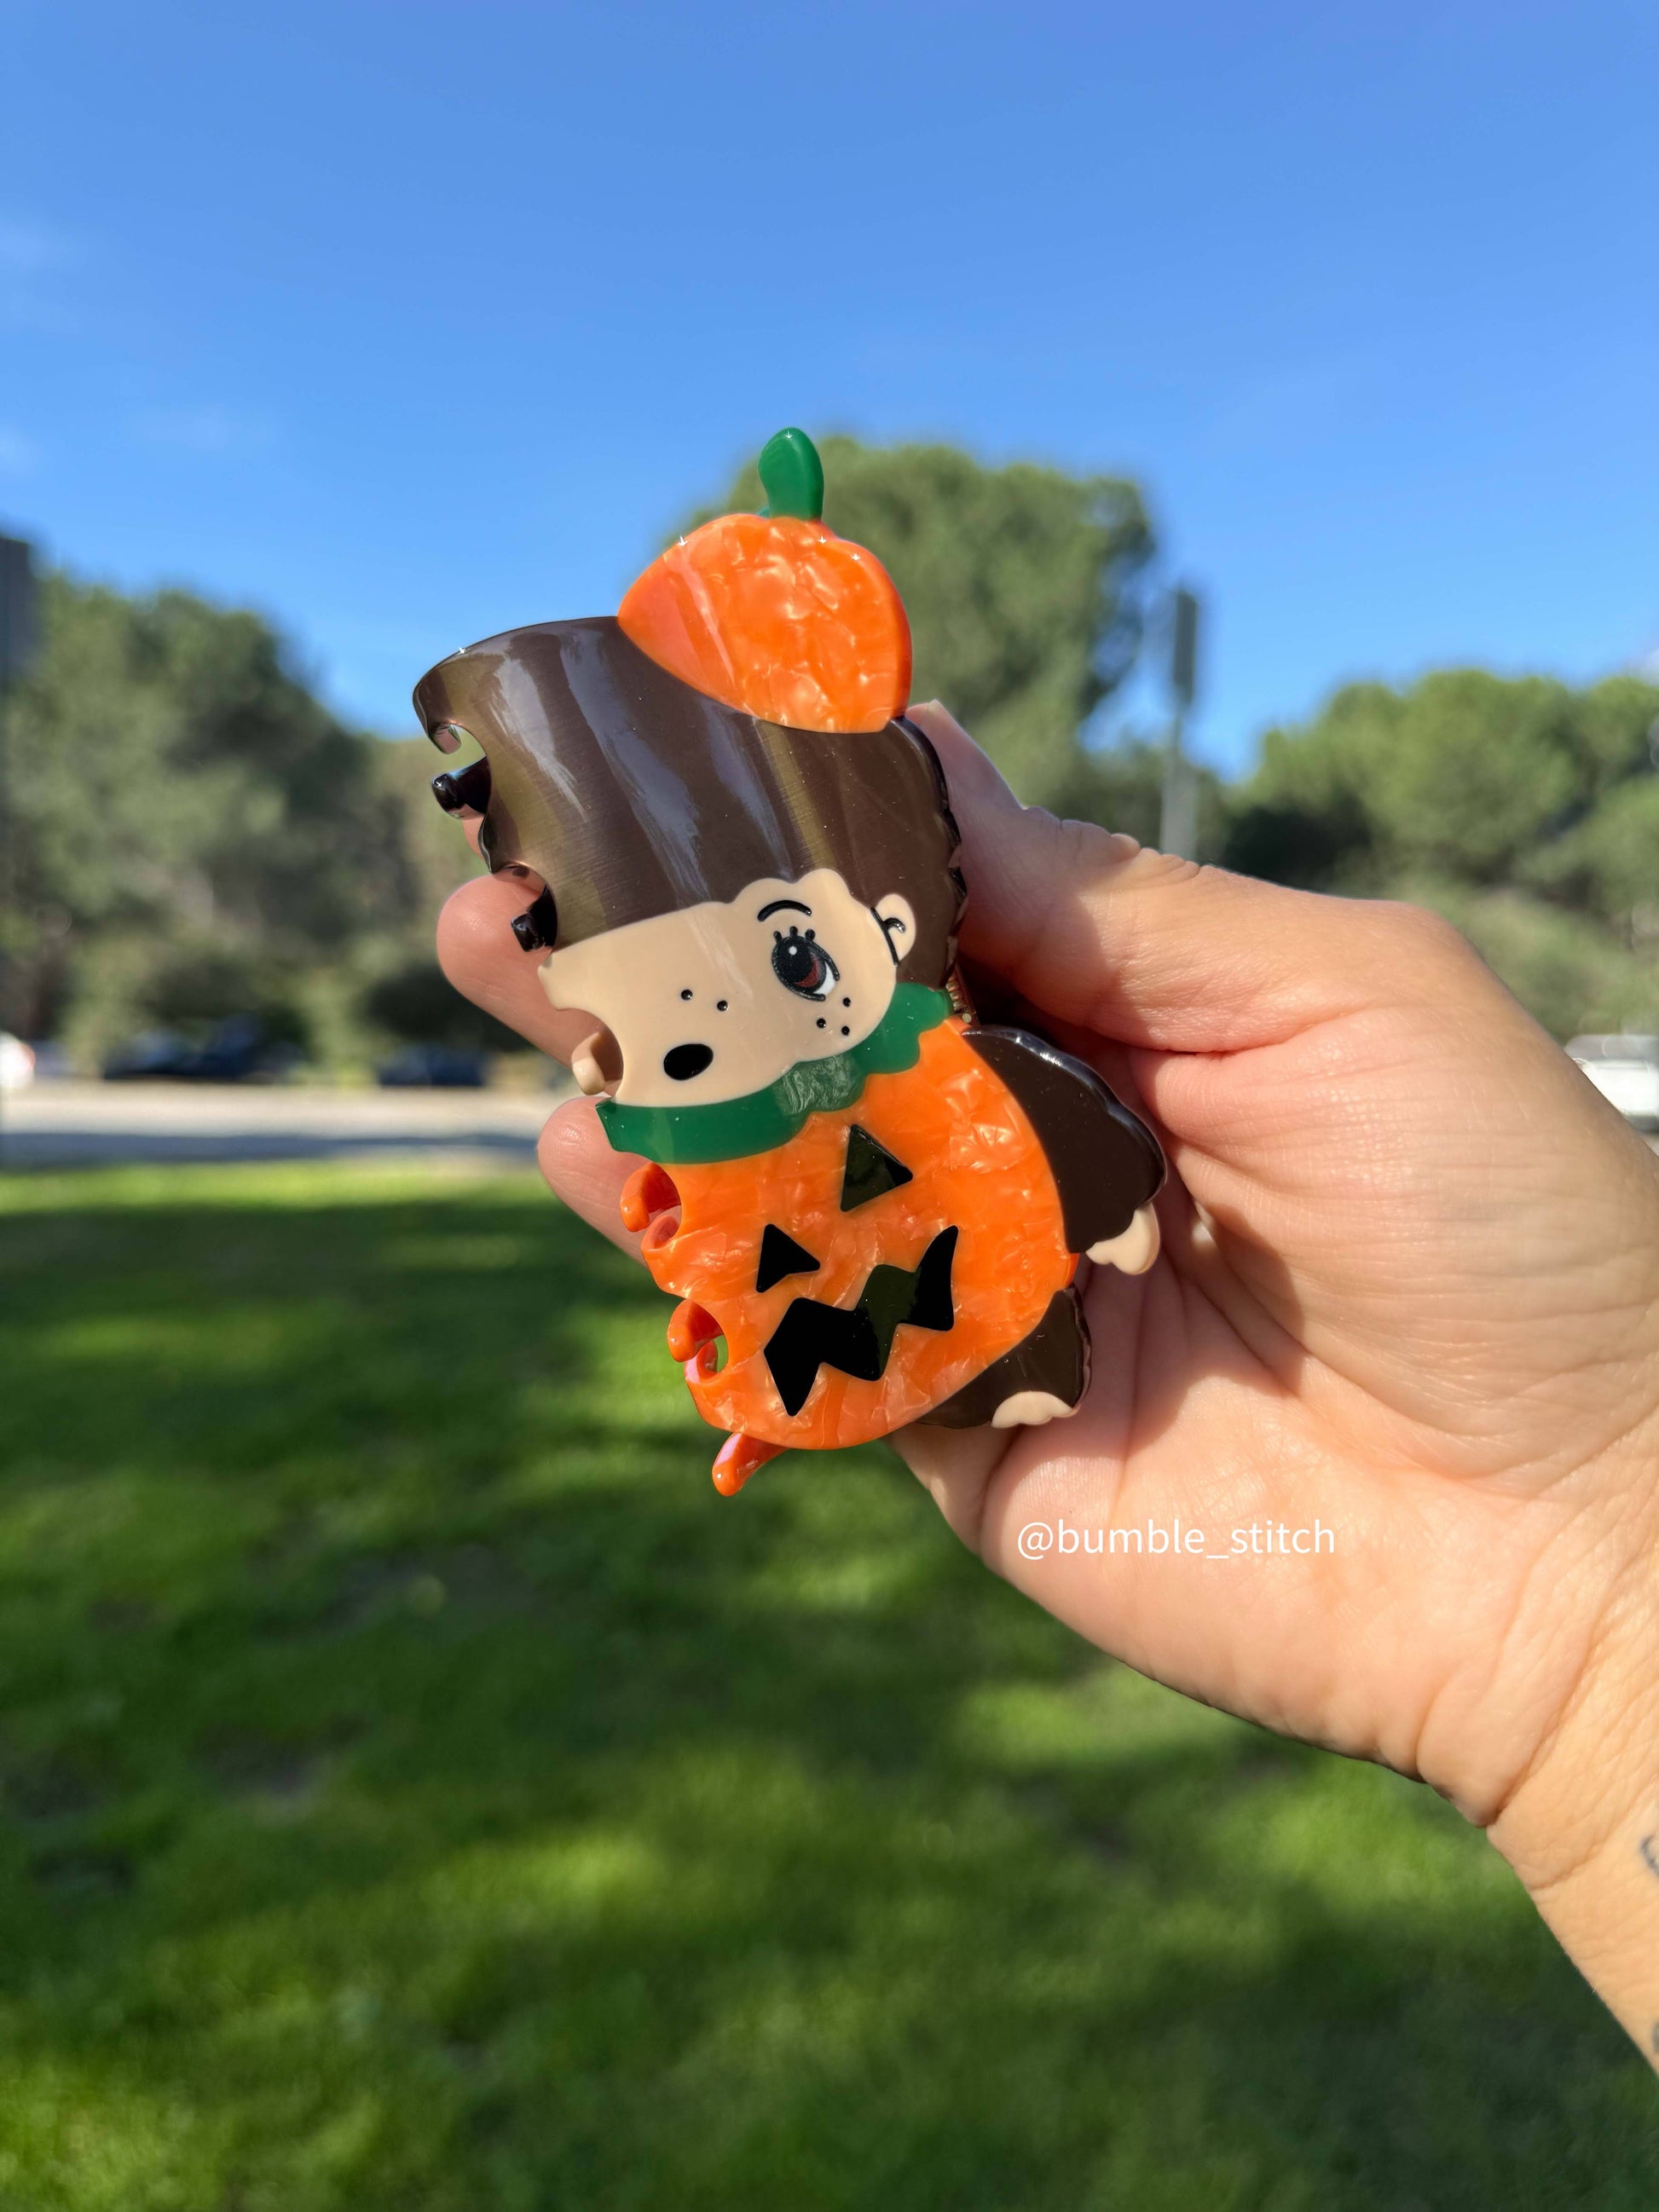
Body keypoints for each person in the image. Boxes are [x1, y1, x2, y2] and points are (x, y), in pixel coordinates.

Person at [436, 700, 1659, 2065]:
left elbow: (1047, 1120)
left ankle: (972, 1358)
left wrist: (1605, 1544)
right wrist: (1589, 1620)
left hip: (1009, 1293)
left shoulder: (941, 1066)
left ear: (876, 931)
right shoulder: (734, 1123)